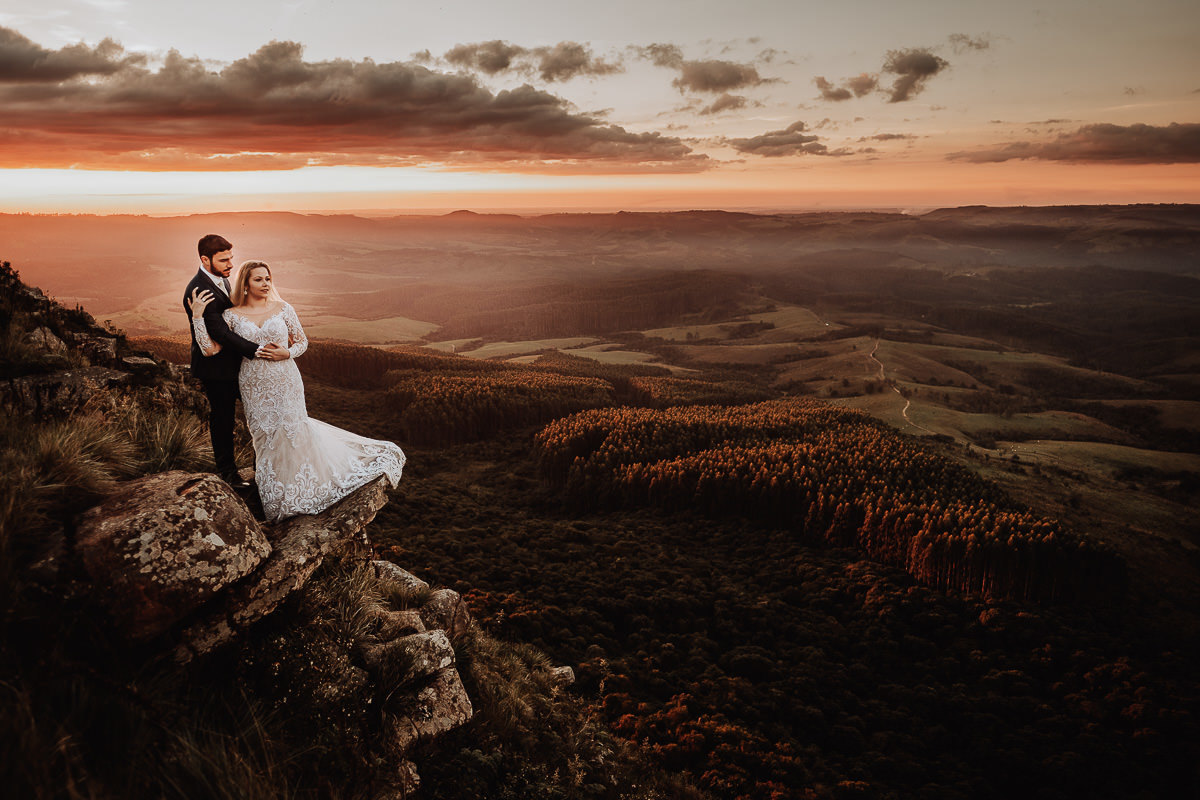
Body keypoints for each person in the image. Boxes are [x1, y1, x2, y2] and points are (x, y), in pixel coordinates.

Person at [188, 259, 405, 521]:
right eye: (258, 279)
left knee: (293, 430)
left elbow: (302, 341)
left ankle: (301, 487)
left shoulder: (283, 308)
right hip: (253, 384)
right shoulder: (231, 316)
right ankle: (275, 494)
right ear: (245, 284)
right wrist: (198, 317)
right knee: (264, 436)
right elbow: (209, 349)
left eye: (268, 278)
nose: (266, 284)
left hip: (285, 378)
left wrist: (287, 353)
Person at [183, 234, 287, 489]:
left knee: (262, 413)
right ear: (205, 259)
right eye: (224, 260)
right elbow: (220, 334)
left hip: (235, 364)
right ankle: (229, 474)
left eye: (231, 258)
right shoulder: (200, 290)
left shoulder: (220, 279)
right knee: (223, 419)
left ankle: (264, 469)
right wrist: (259, 350)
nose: (231, 264)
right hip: (216, 369)